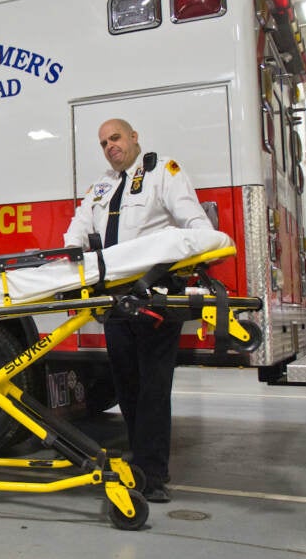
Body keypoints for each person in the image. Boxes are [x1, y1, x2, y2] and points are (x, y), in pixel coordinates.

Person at [63, 118, 212, 503]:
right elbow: (77, 230)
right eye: (103, 143)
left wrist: (188, 257)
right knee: (126, 386)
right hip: (114, 299)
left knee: (153, 388)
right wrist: (70, 260)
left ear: (133, 138)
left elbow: (195, 223)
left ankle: (154, 474)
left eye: (116, 138)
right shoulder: (100, 187)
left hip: (154, 296)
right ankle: (139, 459)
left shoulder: (164, 171)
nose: (110, 146)